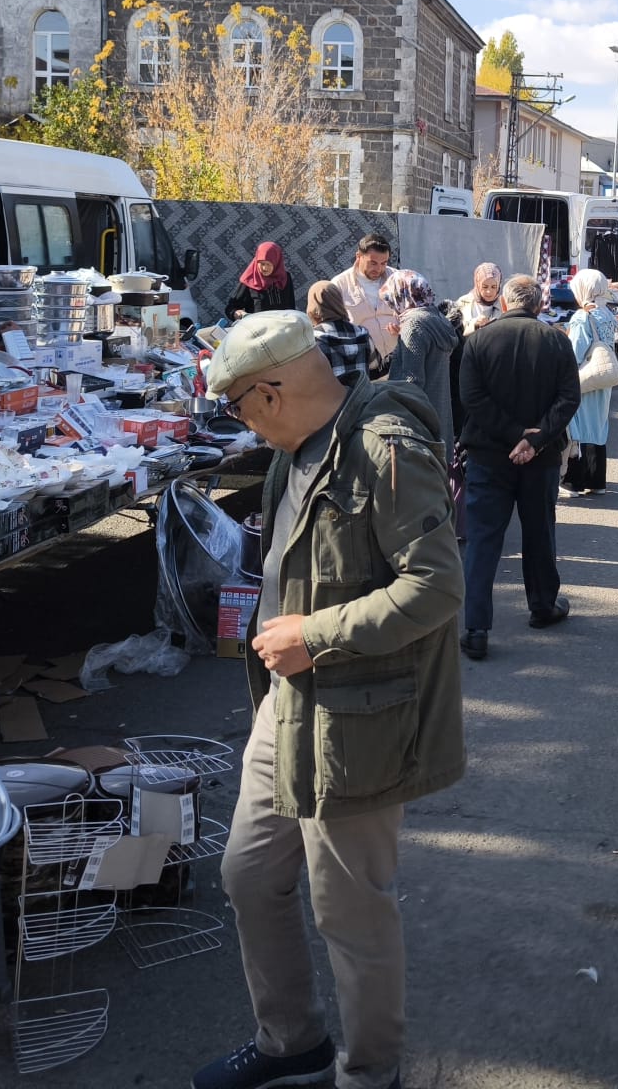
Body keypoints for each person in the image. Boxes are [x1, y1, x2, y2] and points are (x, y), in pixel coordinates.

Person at [197, 312, 463, 1089]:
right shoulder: (294, 450)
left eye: (242, 405)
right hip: (287, 706)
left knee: (349, 910)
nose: (241, 422)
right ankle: (292, 1044)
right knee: (248, 876)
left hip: (361, 720)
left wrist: (316, 634)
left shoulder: (383, 448)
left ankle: (370, 1072)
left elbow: (437, 585)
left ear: (273, 392)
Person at [455, 275, 581, 659]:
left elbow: (471, 399)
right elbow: (569, 397)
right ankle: (543, 606)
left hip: (488, 457)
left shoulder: (477, 341)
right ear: (540, 303)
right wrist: (534, 438)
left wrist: (514, 435)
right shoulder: (556, 340)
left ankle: (476, 627)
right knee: (539, 532)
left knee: (483, 540)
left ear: (505, 304)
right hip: (539, 458)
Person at [383, 271, 457, 454]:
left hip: (419, 428)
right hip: (440, 418)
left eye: (391, 301)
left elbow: (410, 383)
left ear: (403, 294)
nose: (392, 308)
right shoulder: (436, 317)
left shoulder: (413, 324)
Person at [562, 269, 618, 495]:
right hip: (603, 374)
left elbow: (574, 352)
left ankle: (574, 481)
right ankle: (596, 481)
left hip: (584, 376)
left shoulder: (582, 317)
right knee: (598, 425)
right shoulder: (607, 313)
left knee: (579, 424)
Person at [332, 234, 400, 361]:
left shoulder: (397, 279)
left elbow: (412, 312)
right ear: (358, 256)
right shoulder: (339, 285)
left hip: (397, 358)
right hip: (361, 361)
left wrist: (404, 327)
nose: (379, 269)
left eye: (384, 263)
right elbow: (333, 326)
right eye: (373, 263)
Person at [308, 280, 384, 390]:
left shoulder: (312, 340)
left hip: (332, 404)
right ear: (339, 302)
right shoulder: (362, 333)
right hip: (361, 401)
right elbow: (375, 369)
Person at [227, 241, 295, 320]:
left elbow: (291, 307)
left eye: (268, 264)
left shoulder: (285, 278)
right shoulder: (250, 280)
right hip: (258, 329)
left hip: (283, 328)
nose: (264, 268)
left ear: (276, 262)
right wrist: (237, 313)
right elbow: (231, 308)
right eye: (262, 264)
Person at [455, 262, 505, 330]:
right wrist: (475, 325)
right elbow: (455, 331)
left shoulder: (504, 304)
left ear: (499, 285)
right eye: (484, 287)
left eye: (493, 287)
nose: (489, 291)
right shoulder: (463, 302)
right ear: (477, 284)